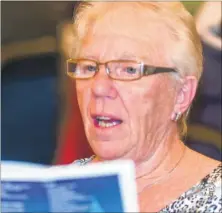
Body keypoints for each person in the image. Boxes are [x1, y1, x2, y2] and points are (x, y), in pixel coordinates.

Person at [66, 2, 221, 212]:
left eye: (129, 70)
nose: (99, 87)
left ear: (181, 94)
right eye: (89, 67)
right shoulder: (60, 189)